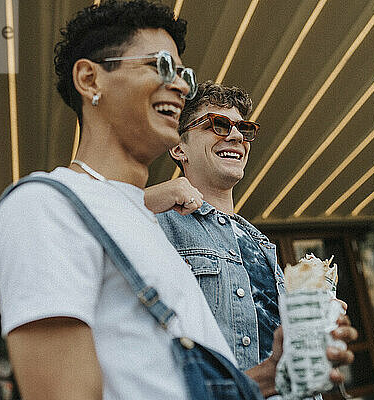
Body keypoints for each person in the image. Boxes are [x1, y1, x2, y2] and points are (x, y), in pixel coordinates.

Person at [0, 2, 259, 399]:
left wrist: (275, 373)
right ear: (89, 78)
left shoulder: (145, 219)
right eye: (159, 65)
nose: (183, 86)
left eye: (184, 74)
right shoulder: (45, 206)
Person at [144, 80, 357, 397]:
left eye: (243, 129)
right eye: (218, 124)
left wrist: (316, 323)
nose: (235, 136)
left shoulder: (258, 242)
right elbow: (86, 225)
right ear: (178, 146)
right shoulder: (155, 225)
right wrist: (149, 198)